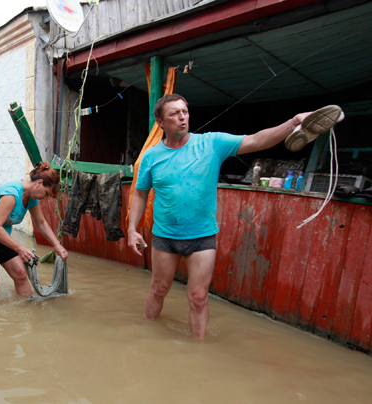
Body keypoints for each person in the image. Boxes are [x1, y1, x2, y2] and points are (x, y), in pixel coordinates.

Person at [127, 93, 340, 339]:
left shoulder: (212, 143)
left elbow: (257, 140)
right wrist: (133, 229)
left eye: (185, 111)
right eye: (174, 113)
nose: (182, 117)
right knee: (158, 289)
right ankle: (147, 338)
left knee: (198, 297)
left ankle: (198, 350)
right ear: (161, 122)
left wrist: (293, 122)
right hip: (165, 235)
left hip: (202, 236)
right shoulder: (152, 157)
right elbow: (140, 194)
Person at [0, 162, 68, 299]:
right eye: (45, 194)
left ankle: (27, 314)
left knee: (20, 275)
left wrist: (57, 245)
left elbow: (41, 223)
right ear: (39, 183)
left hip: (0, 237)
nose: (43, 199)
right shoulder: (11, 194)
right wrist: (20, 248)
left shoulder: (32, 198)